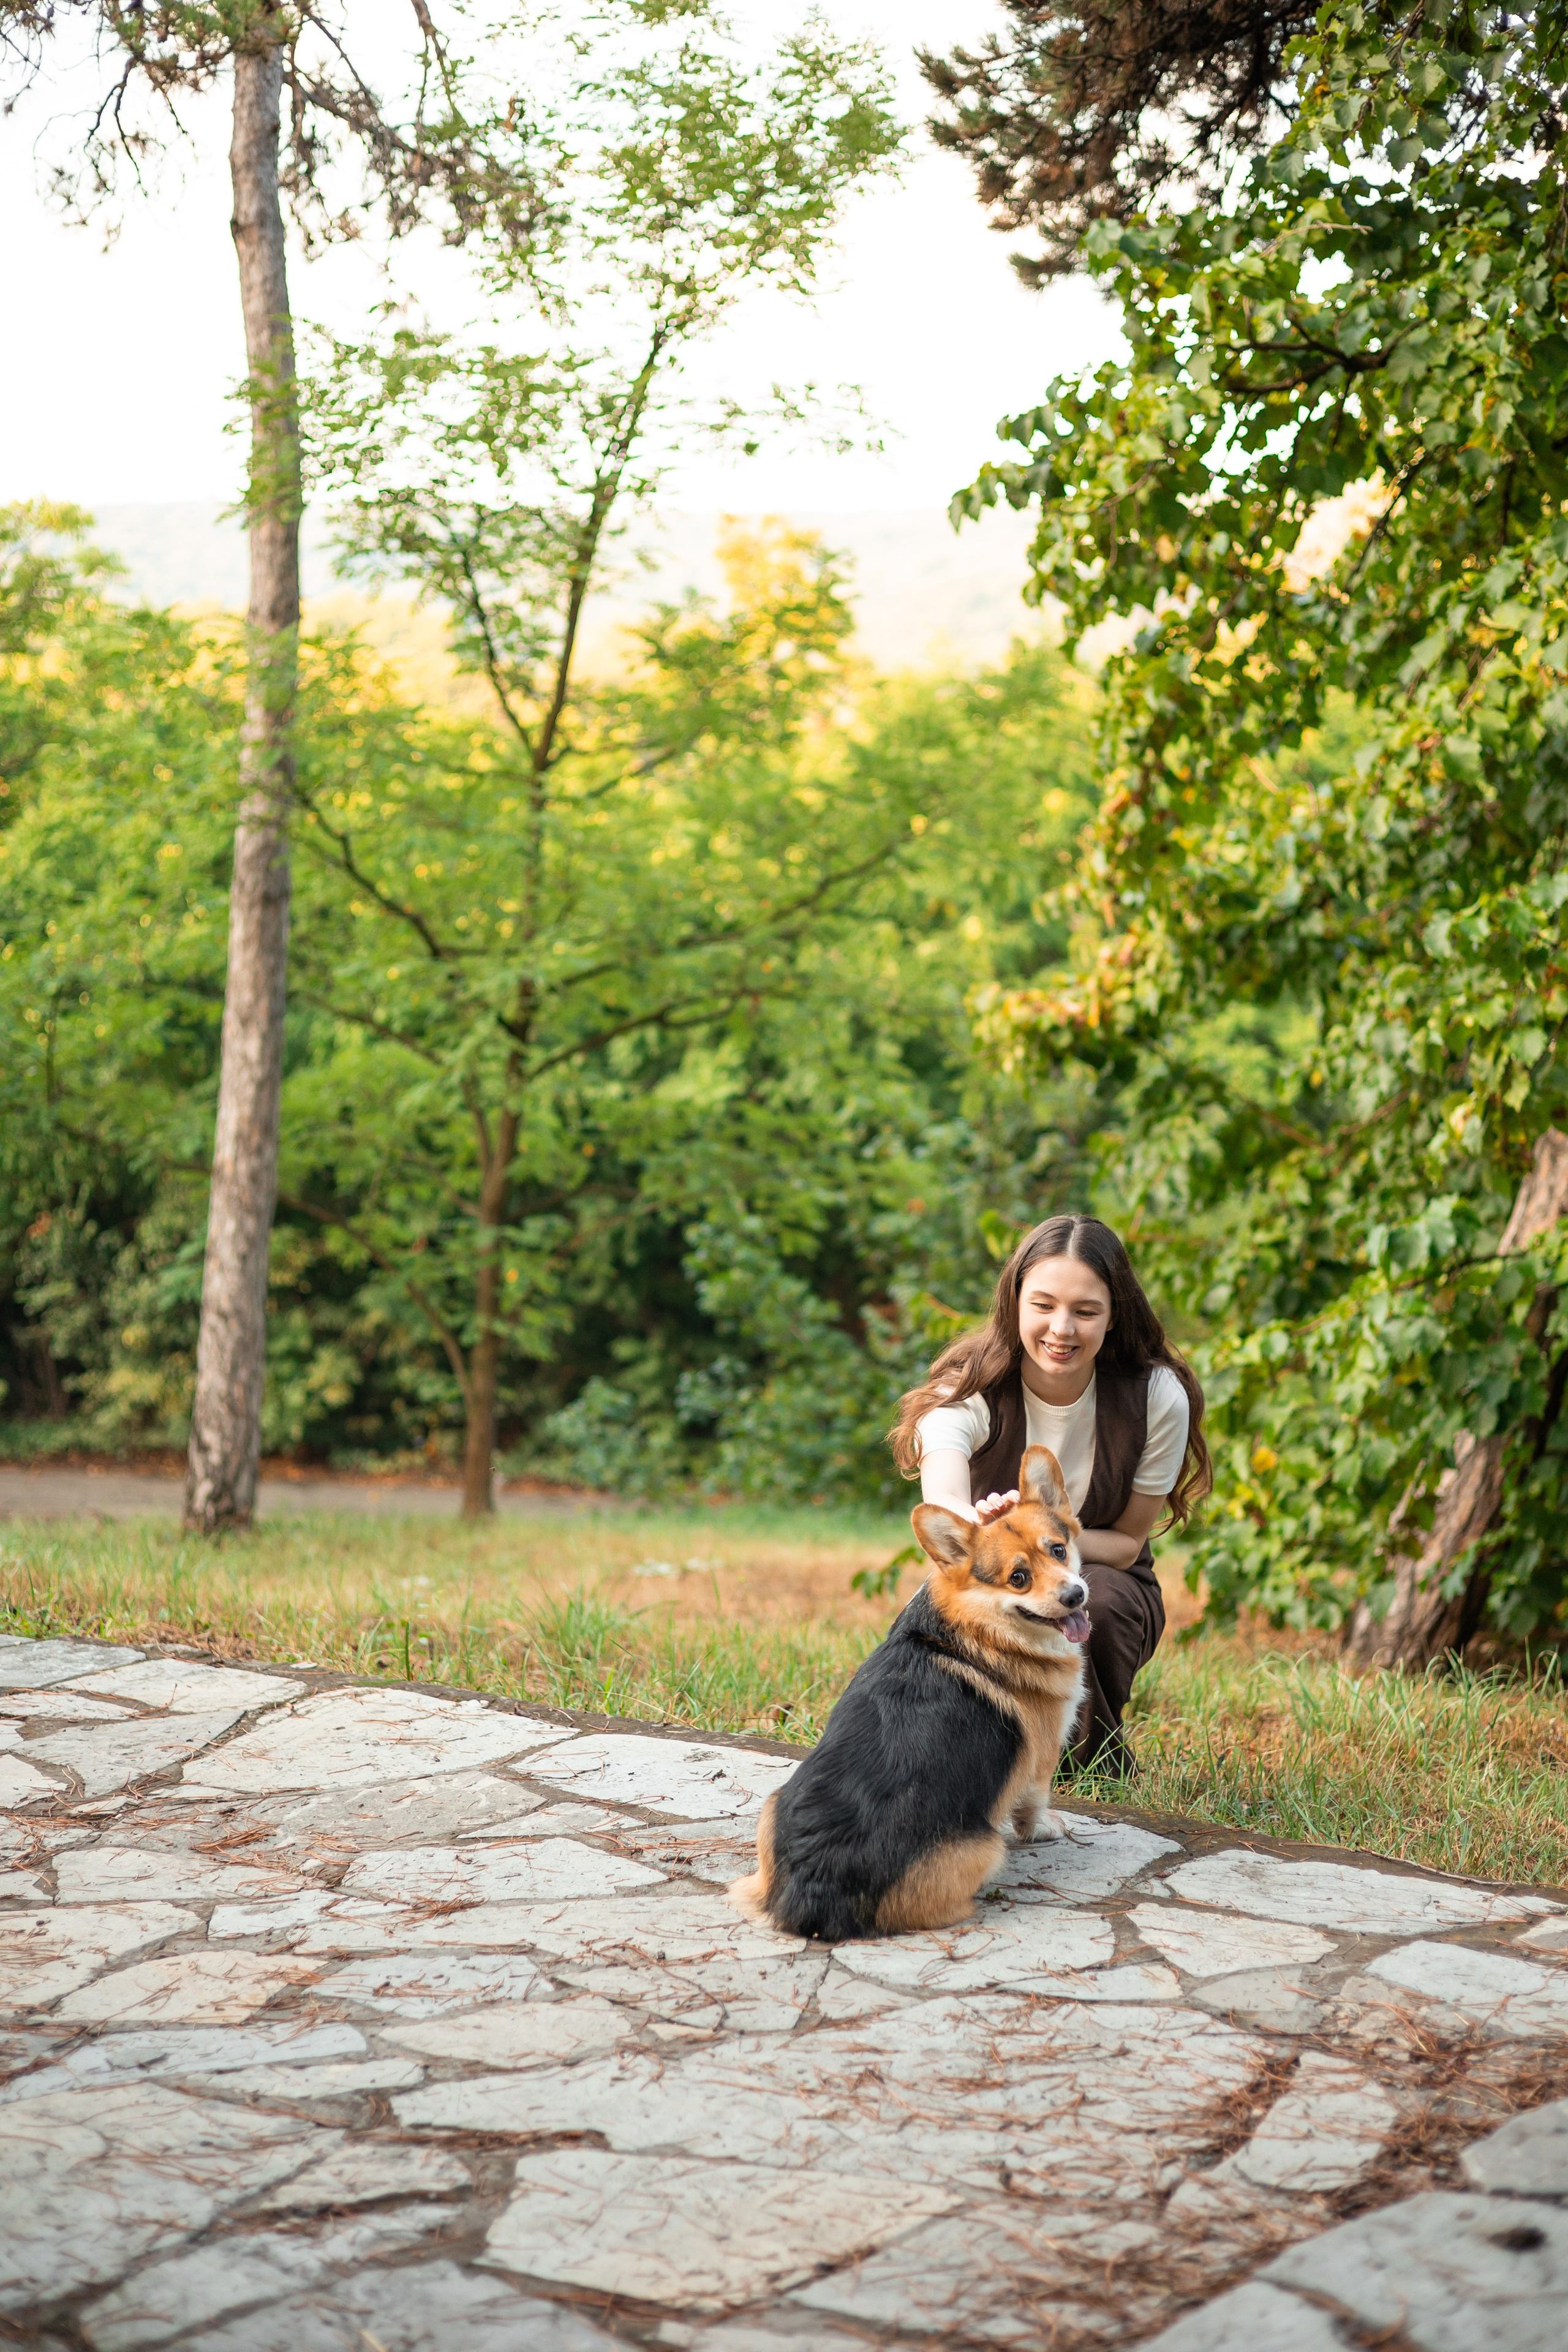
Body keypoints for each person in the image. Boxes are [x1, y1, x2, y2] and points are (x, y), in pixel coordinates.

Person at [890, 1213, 1210, 1776]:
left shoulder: (1157, 1396)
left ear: (1114, 1317)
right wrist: (983, 1523)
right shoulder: (967, 1388)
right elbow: (944, 1499)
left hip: (1108, 1577)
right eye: (1043, 1305)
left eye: (1086, 1311)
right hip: (995, 1584)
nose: (1062, 1328)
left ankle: (1086, 1765)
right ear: (1014, 1302)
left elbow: (1130, 1543)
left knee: (1100, 1601)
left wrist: (1056, 1549)